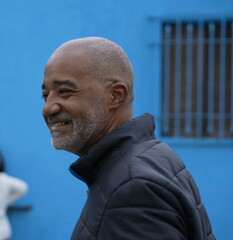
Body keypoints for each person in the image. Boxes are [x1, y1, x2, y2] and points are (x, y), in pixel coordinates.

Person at [41, 37, 215, 240]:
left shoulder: (133, 188)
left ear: (116, 95)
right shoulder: (147, 158)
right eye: (46, 95)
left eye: (65, 92)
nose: (48, 108)